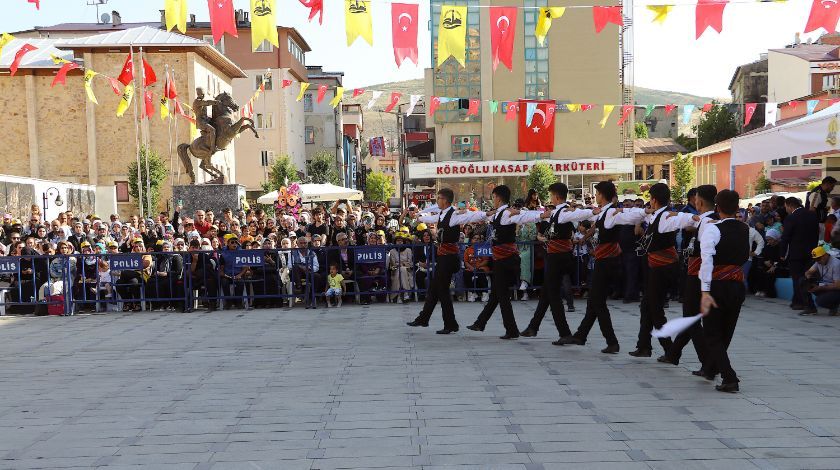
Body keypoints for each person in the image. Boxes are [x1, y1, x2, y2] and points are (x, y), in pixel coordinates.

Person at [608, 183, 683, 358]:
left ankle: (670, 351)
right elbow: (635, 215)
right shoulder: (655, 215)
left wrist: (689, 217)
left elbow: (683, 219)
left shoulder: (666, 216)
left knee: (655, 310)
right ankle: (644, 346)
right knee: (647, 306)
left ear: (654, 199)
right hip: (655, 266)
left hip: (663, 267)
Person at [516, 183, 593, 343]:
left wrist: (589, 211)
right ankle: (533, 327)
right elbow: (533, 216)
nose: (550, 199)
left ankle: (564, 333)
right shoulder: (555, 212)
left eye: (551, 196)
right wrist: (518, 213)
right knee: (546, 292)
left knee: (553, 295)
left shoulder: (564, 212)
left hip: (559, 257)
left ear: (556, 196)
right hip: (557, 256)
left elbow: (581, 215)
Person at [654, 185, 718, 368]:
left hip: (698, 274)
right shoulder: (707, 220)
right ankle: (673, 354)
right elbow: (692, 222)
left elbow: (706, 253)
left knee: (691, 318)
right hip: (697, 273)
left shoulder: (709, 222)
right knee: (690, 316)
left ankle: (707, 363)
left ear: (699, 201)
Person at [407, 188, 486, 334]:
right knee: (437, 290)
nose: (437, 201)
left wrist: (487, 214)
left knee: (440, 290)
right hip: (443, 256)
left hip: (449, 258)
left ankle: (439, 322)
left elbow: (470, 216)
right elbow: (431, 217)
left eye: (438, 198)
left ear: (445, 200)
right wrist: (419, 216)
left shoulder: (454, 214)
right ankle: (431, 320)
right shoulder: (442, 214)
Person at [557, 181, 621, 353]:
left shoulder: (612, 212)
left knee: (598, 302)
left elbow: (629, 214)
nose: (596, 196)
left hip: (608, 261)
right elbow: (593, 220)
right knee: (593, 300)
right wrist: (575, 214)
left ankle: (612, 341)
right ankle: (580, 335)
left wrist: (643, 211)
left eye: (597, 193)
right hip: (602, 260)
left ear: (602, 194)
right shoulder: (602, 212)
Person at [699, 189, 750, 393]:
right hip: (737, 284)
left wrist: (704, 291)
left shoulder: (712, 229)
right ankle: (711, 368)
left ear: (717, 208)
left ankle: (729, 377)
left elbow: (707, 261)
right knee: (726, 331)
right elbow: (745, 256)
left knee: (712, 333)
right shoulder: (745, 228)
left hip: (717, 285)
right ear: (737, 208)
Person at [466, 185, 531, 340]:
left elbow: (526, 217)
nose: (492, 200)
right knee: (496, 294)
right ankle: (480, 323)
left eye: (493, 197)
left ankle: (512, 330)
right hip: (499, 259)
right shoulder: (497, 214)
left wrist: (525, 212)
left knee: (502, 296)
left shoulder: (508, 213)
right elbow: (480, 216)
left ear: (499, 198)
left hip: (506, 259)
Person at [780, 197, 820, 312]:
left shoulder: (791, 218)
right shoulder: (812, 215)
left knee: (797, 278)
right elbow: (817, 233)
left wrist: (782, 253)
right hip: (811, 252)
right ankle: (798, 301)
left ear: (789, 205)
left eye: (786, 207)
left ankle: (801, 302)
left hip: (796, 253)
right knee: (806, 277)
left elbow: (786, 237)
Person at [800, 245, 840, 316]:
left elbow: (837, 286)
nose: (817, 261)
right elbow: (808, 272)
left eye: (818, 259)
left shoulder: (836, 264)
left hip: (836, 289)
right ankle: (810, 308)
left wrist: (819, 288)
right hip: (825, 285)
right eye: (815, 259)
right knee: (802, 281)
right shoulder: (819, 261)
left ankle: (834, 307)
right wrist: (808, 276)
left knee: (820, 301)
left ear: (825, 255)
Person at [193, 87, 220, 154]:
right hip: (201, 122)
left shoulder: (201, 101)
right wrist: (216, 102)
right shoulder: (197, 102)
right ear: (198, 94)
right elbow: (207, 102)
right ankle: (213, 147)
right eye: (202, 94)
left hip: (206, 120)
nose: (203, 95)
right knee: (212, 130)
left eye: (203, 94)